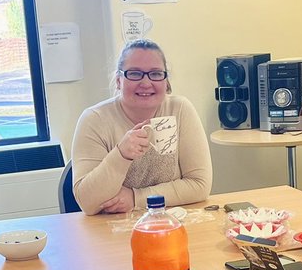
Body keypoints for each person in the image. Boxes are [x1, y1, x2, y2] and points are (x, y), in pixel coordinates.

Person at [71, 39, 212, 215]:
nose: (146, 83)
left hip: (171, 224)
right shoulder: (94, 119)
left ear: (166, 82)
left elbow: (199, 185)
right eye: (135, 74)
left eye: (155, 74)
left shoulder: (180, 109)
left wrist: (135, 198)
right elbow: (87, 202)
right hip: (111, 230)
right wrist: (121, 155)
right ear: (118, 80)